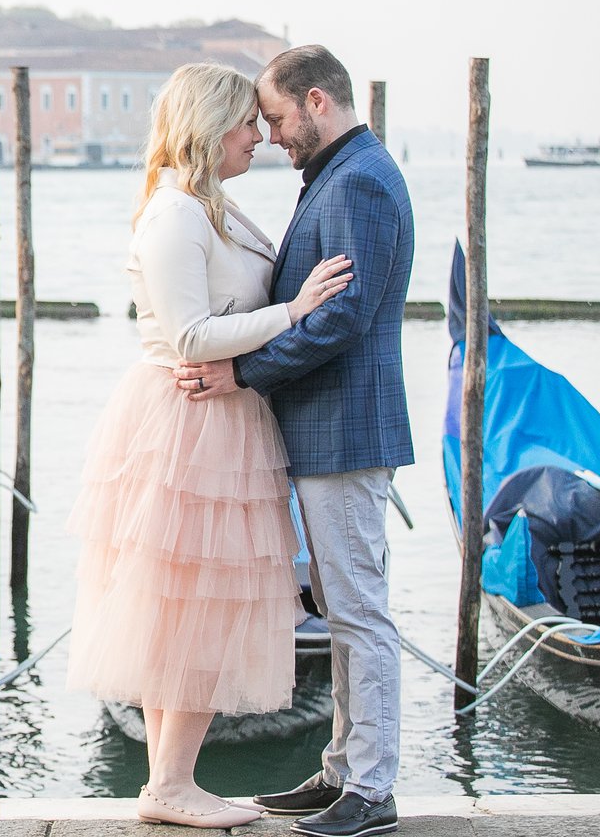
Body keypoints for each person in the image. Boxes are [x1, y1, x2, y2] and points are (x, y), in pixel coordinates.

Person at [68, 62, 354, 830]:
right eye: (246, 124)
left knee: (191, 607)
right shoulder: (177, 215)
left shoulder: (209, 206)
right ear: (209, 126)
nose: (260, 135)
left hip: (221, 418)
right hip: (188, 422)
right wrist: (294, 312)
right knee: (193, 607)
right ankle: (171, 784)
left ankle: (169, 782)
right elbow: (192, 335)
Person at [177, 45, 414, 837]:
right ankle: (342, 771)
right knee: (344, 608)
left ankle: (370, 789)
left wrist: (241, 374)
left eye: (276, 118)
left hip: (345, 429)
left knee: (358, 613)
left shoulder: (362, 182)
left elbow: (342, 318)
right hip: (325, 429)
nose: (272, 136)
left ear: (317, 101)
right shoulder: (342, 175)